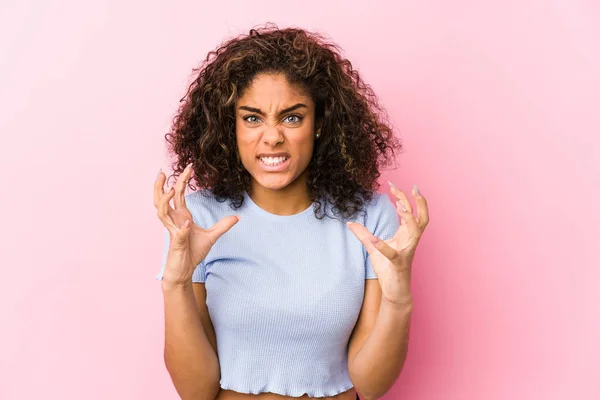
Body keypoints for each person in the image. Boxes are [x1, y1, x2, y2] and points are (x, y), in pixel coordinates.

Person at [153, 24, 429, 400]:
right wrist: (176, 283)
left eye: (292, 117)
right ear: (228, 127)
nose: (272, 137)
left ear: (319, 125)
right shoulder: (199, 218)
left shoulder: (370, 218)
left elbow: (371, 384)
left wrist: (399, 300)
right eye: (252, 118)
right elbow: (196, 391)